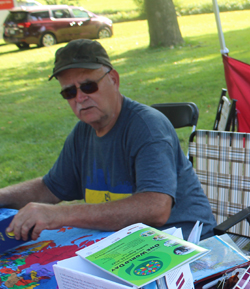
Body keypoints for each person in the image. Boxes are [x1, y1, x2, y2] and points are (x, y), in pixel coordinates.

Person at [0, 39, 215, 241]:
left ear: (113, 80)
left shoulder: (148, 127)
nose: (80, 98)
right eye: (69, 92)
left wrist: (59, 214)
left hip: (185, 248)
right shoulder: (83, 132)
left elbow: (156, 207)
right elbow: (50, 188)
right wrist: (3, 196)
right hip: (129, 247)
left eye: (88, 86)